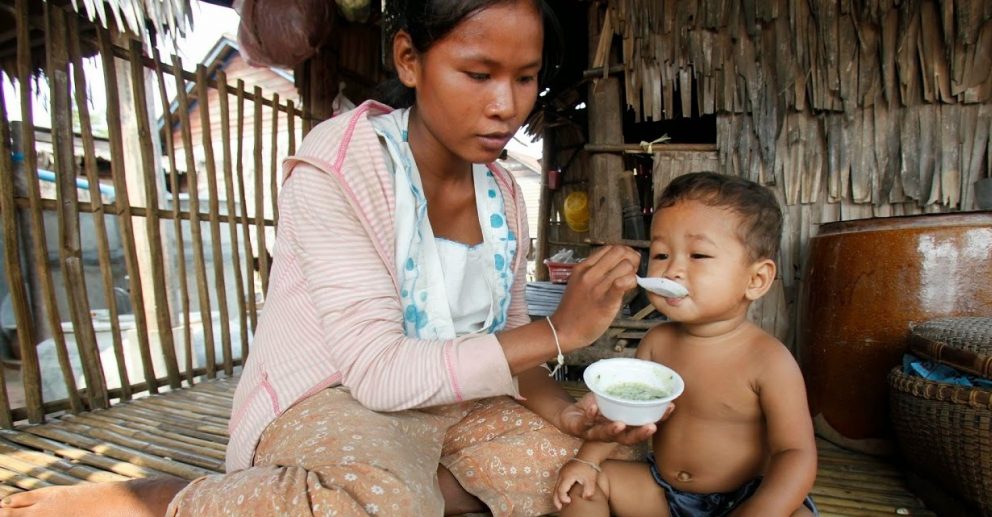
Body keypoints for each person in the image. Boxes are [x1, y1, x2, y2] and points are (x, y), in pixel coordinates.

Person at [0, 1, 659, 516]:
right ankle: (166, 500)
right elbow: (376, 375)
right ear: (409, 59)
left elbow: (509, 344)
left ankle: (400, 490)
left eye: (525, 78)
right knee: (391, 499)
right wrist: (561, 330)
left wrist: (569, 413)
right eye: (478, 73)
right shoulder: (337, 166)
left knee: (585, 471)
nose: (506, 105)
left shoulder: (504, 194)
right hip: (331, 400)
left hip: (453, 404)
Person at [552, 172, 819, 517]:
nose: (672, 270)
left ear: (756, 279)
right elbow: (624, 418)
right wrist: (586, 461)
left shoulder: (769, 360)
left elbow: (795, 453)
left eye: (699, 256)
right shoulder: (657, 343)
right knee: (581, 489)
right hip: (663, 492)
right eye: (661, 254)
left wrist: (760, 511)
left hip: (743, 499)